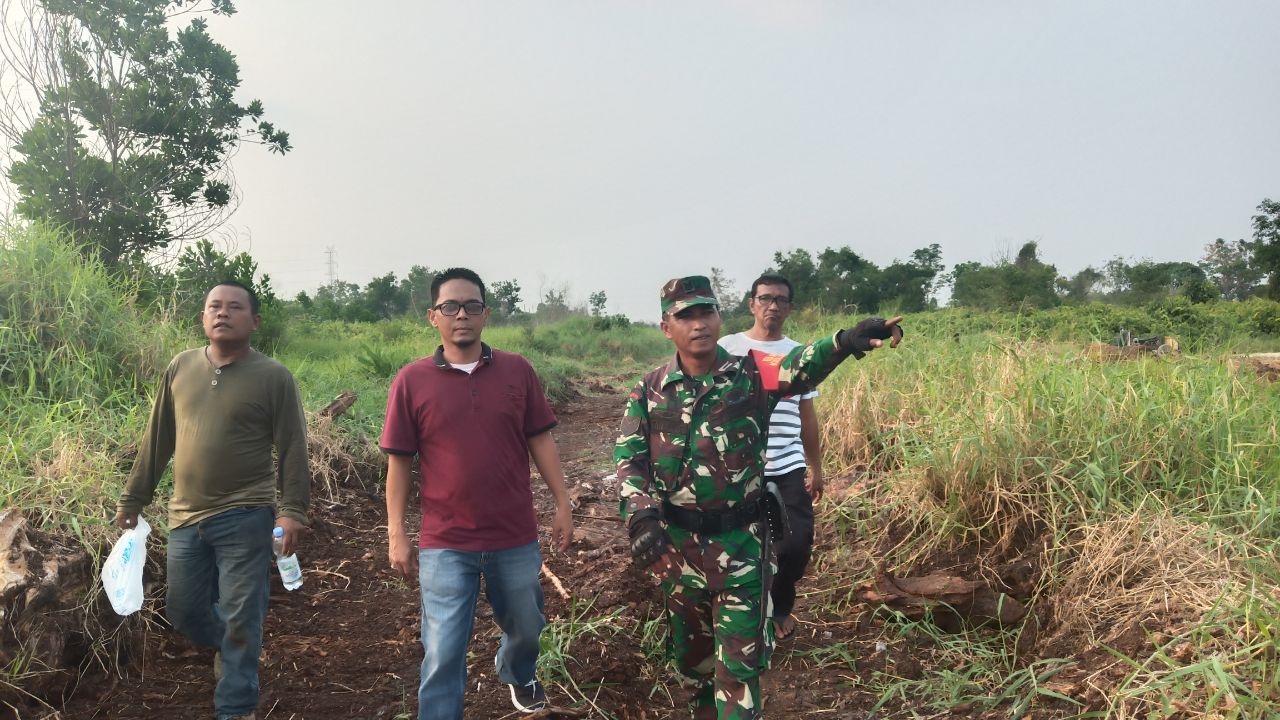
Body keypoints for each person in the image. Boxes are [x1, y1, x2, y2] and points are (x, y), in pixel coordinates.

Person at [617, 275, 902, 720]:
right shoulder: (648, 392)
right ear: (666, 327)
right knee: (696, 672)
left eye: (706, 312)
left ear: (719, 316)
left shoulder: (753, 373)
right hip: (678, 555)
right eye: (685, 315)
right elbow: (630, 461)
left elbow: (801, 364)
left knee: (738, 675)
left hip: (742, 551)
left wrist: (844, 341)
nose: (698, 324)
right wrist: (641, 518)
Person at [380, 267, 574, 719]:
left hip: (514, 534)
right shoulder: (412, 381)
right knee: (443, 649)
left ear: (486, 314)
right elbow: (399, 462)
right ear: (433, 316)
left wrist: (563, 502)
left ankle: (518, 671)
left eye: (471, 306)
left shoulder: (517, 370)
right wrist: (396, 532)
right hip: (446, 541)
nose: (461, 314)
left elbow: (540, 439)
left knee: (527, 625)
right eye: (450, 306)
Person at [115, 280, 310, 720]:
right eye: (214, 307)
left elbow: (294, 447)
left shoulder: (273, 376)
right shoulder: (180, 367)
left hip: (247, 514)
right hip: (185, 517)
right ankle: (237, 642)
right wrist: (134, 497)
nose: (222, 313)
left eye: (234, 308)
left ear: (255, 322)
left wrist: (293, 510)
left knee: (243, 612)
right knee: (183, 611)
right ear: (203, 318)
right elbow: (158, 437)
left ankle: (236, 706)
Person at [717, 274, 821, 642]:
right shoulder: (727, 348)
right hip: (740, 465)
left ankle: (781, 604)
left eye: (780, 300)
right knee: (741, 545)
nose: (772, 306)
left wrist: (817, 467)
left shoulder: (800, 354)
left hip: (788, 463)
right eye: (765, 299)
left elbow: (807, 415)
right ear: (751, 303)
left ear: (789, 308)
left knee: (795, 544)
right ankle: (747, 614)